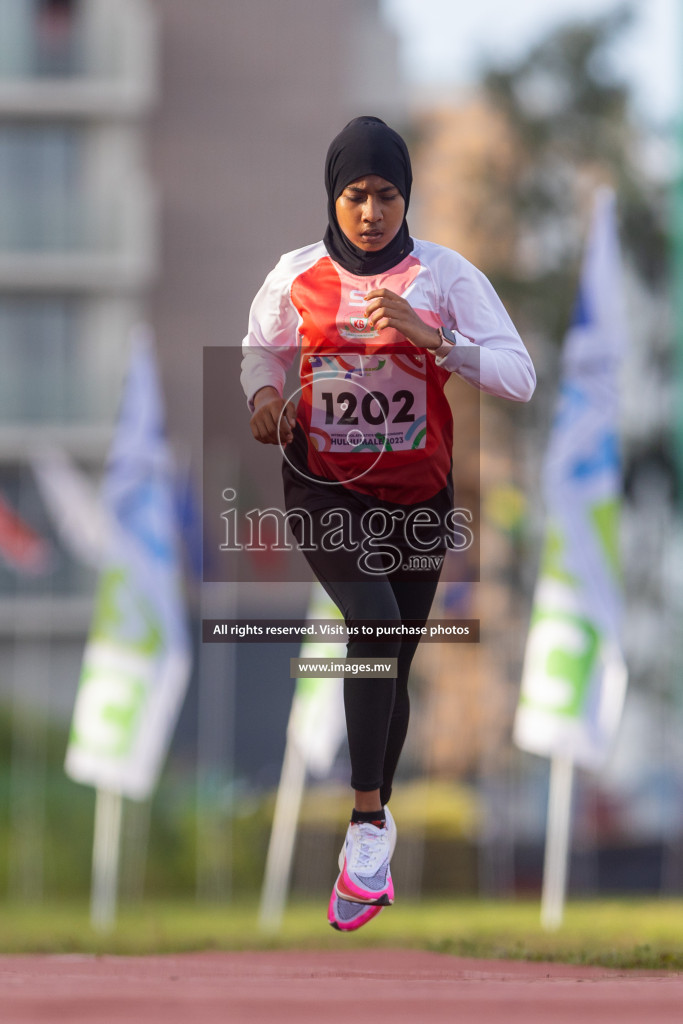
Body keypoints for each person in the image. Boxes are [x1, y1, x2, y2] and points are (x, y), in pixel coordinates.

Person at [241, 115, 535, 931]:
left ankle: (373, 822)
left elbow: (520, 376)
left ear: (407, 197)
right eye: (354, 195)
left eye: (386, 195)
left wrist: (434, 340)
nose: (370, 211)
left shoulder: (443, 275)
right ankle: (367, 822)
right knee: (366, 624)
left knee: (391, 663)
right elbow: (257, 351)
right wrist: (264, 400)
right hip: (322, 485)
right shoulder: (292, 276)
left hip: (418, 496)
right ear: (332, 197)